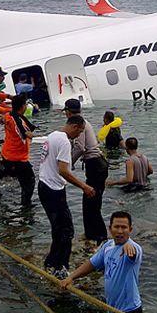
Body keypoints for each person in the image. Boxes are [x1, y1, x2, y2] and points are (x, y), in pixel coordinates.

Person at [61, 211, 143, 313]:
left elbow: (133, 255)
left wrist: (130, 249)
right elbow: (91, 264)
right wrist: (71, 277)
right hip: (111, 309)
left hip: (129, 312)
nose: (120, 231)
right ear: (110, 229)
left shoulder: (135, 248)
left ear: (130, 230)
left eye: (124, 227)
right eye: (116, 227)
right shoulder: (108, 246)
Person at [38, 114, 96, 278]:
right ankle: (60, 268)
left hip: (44, 185)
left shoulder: (52, 136)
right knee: (66, 231)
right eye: (80, 131)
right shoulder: (64, 141)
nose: (79, 135)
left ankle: (50, 262)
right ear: (75, 127)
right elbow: (63, 170)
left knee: (58, 229)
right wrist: (84, 186)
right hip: (53, 189)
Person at [64, 98, 109, 243]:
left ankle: (100, 236)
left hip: (95, 165)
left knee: (92, 202)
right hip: (97, 164)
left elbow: (80, 147)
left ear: (68, 112)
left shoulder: (79, 125)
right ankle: (91, 234)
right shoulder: (84, 121)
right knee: (90, 202)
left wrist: (68, 164)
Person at [0, 93, 38, 205]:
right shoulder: (17, 121)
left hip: (7, 153)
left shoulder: (8, 115)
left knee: (4, 168)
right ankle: (25, 206)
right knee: (29, 182)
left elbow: (0, 113)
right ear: (22, 107)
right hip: (18, 158)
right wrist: (45, 138)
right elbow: (24, 133)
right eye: (25, 105)